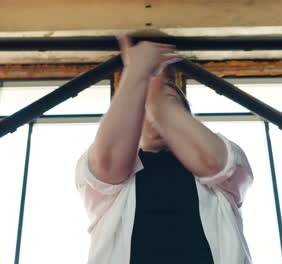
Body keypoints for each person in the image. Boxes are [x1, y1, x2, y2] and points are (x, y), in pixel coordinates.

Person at [75, 34, 254, 264]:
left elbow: (214, 164)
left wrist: (153, 89)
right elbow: (107, 164)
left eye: (170, 93)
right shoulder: (98, 167)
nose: (149, 104)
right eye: (141, 104)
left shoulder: (226, 153)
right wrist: (137, 74)